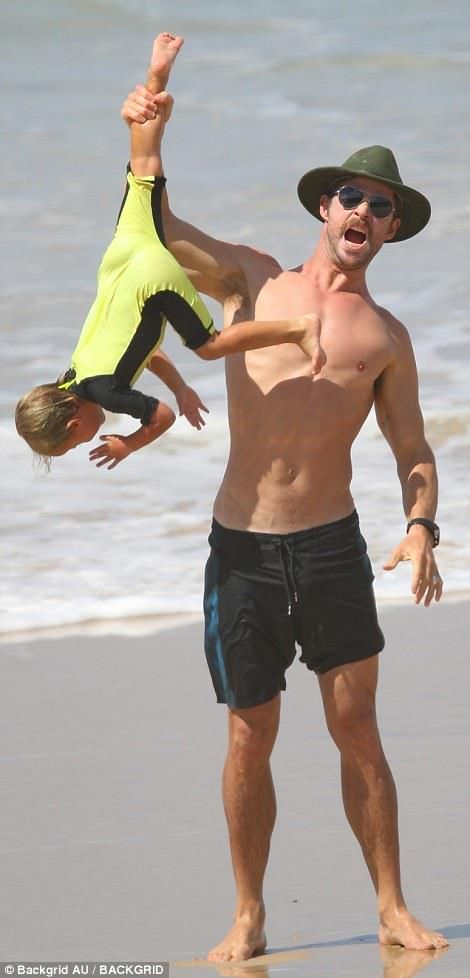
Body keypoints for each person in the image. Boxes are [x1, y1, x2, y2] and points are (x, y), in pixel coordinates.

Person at [122, 35, 448, 961]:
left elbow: (413, 447)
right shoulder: (253, 277)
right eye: (355, 196)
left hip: (333, 548)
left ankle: (390, 904)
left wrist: (423, 523)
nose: (367, 212)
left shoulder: (384, 336)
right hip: (243, 549)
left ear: (391, 230)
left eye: (384, 207)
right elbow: (155, 235)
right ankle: (249, 913)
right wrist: (146, 145)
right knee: (246, 736)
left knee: (357, 729)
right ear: (324, 204)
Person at [15, 35, 322, 471]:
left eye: (71, 446)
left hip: (152, 279)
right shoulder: (76, 372)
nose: (82, 445)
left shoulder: (106, 392)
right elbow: (149, 354)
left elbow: (160, 417)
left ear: (72, 423)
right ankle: (156, 76)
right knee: (143, 167)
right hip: (123, 256)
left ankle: (299, 329)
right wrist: (181, 387)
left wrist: (130, 444)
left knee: (210, 346)